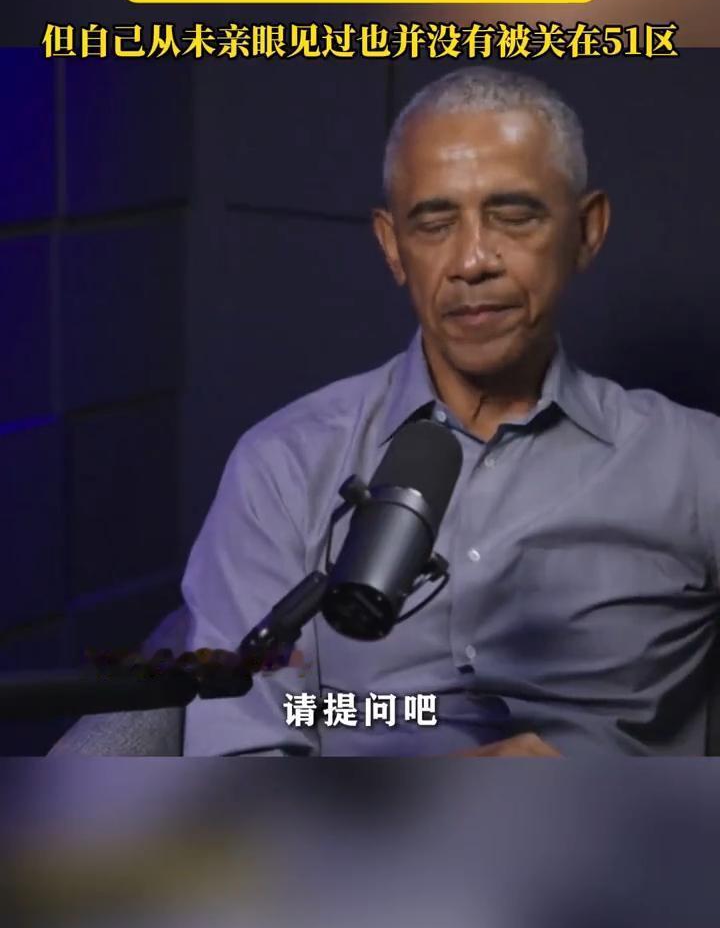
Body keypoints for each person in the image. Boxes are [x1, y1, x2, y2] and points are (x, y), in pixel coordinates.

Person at [181, 66, 720, 756]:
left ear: (587, 231)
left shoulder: (695, 466)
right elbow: (237, 758)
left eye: (514, 217)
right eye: (435, 224)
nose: (471, 261)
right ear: (392, 247)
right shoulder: (284, 469)